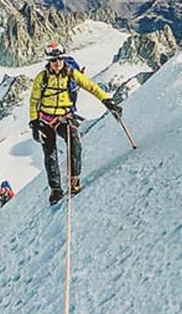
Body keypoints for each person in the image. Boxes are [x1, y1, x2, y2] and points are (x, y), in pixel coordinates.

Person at [29, 41, 122, 205]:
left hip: (64, 117)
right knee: (50, 154)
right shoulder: (41, 78)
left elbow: (90, 86)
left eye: (59, 59)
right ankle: (55, 189)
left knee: (75, 144)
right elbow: (34, 100)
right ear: (48, 62)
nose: (57, 63)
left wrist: (107, 100)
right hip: (46, 119)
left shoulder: (71, 73)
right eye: (53, 60)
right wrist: (34, 123)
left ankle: (74, 179)